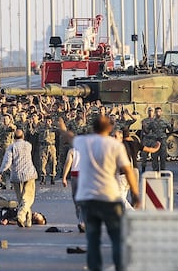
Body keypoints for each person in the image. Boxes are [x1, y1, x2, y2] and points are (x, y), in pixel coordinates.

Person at [59, 116, 139, 271]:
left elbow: (69, 137)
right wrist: (135, 193)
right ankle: (120, 267)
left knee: (93, 240)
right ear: (109, 129)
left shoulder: (84, 142)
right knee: (116, 237)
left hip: (89, 198)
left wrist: (62, 127)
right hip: (110, 196)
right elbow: (128, 170)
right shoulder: (116, 146)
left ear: (93, 129)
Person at [0, 129, 38, 228]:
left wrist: (1, 171)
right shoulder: (28, 145)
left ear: (13, 137)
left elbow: (7, 162)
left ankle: (27, 220)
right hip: (29, 174)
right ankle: (21, 216)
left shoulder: (11, 147)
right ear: (23, 136)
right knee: (28, 198)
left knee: (21, 199)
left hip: (16, 175)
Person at [61, 147, 85, 233]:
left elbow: (68, 163)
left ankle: (82, 222)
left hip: (75, 177)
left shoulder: (72, 150)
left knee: (77, 200)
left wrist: (64, 177)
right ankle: (82, 221)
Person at [146, 107, 174, 171]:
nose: (158, 113)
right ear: (155, 113)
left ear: (161, 112)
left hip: (162, 141)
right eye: (157, 112)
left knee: (163, 157)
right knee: (154, 157)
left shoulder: (165, 121)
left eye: (159, 111)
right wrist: (144, 127)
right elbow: (147, 131)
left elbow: (170, 130)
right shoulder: (152, 122)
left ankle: (163, 171)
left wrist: (172, 125)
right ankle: (155, 171)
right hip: (154, 141)